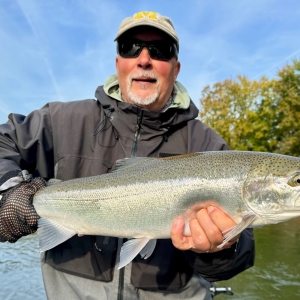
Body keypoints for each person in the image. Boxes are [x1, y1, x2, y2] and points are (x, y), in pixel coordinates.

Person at [0, 11, 254, 300]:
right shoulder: (61, 120)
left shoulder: (208, 144)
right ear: (118, 62)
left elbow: (240, 257)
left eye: (160, 50)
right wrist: (9, 187)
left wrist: (221, 248)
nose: (144, 58)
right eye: (131, 47)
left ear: (176, 67)